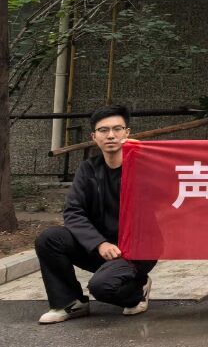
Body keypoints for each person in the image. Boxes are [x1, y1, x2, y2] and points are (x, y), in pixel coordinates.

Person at [35, 104, 156, 324]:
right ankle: (70, 302)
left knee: (102, 287)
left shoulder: (144, 167)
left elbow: (163, 200)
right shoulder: (88, 169)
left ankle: (137, 289)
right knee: (50, 238)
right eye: (103, 130)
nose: (111, 135)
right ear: (94, 137)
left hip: (135, 251)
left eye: (117, 129)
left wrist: (144, 154)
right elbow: (73, 212)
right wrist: (99, 243)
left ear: (127, 133)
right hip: (100, 247)